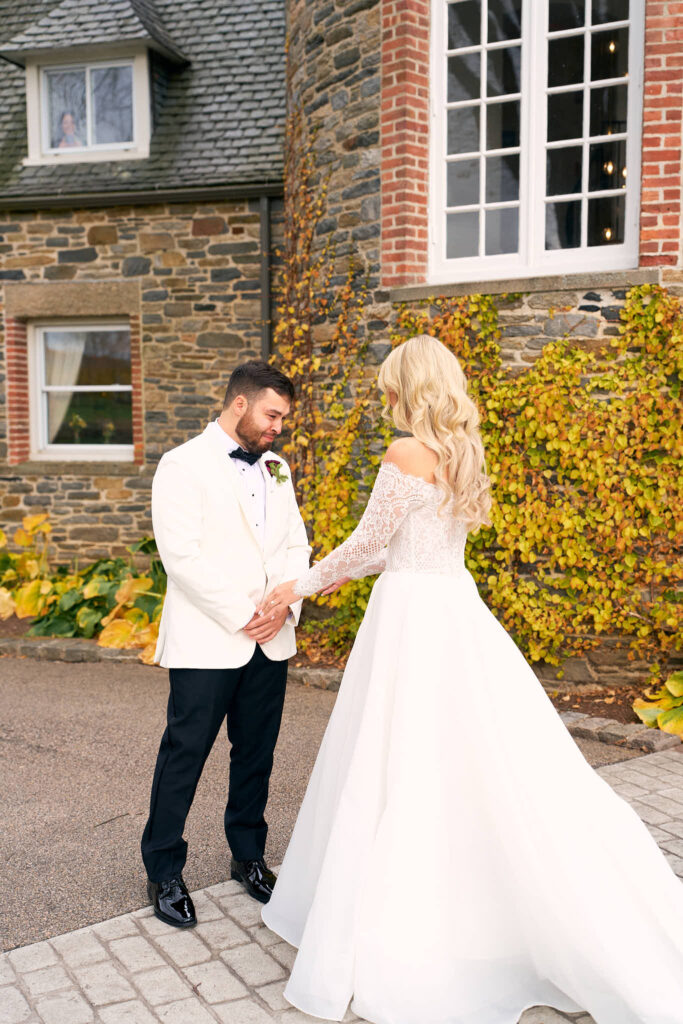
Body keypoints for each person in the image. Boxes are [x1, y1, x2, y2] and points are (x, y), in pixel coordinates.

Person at [259, 334, 683, 1024]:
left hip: (411, 618)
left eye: (389, 384)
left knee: (402, 759)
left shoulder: (404, 454)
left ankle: (413, 918)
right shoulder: (460, 451)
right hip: (453, 608)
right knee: (472, 756)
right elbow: (398, 547)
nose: (384, 396)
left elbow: (370, 547)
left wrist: (293, 586)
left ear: (408, 386)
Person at [141, 360, 311, 928]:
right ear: (240, 404)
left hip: (272, 638)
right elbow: (181, 556)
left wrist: (286, 602)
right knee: (184, 755)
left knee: (256, 755)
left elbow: (295, 545)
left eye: (283, 418)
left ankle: (248, 858)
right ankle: (163, 870)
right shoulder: (181, 465)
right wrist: (246, 615)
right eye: (272, 414)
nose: (278, 427)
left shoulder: (278, 467)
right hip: (211, 638)